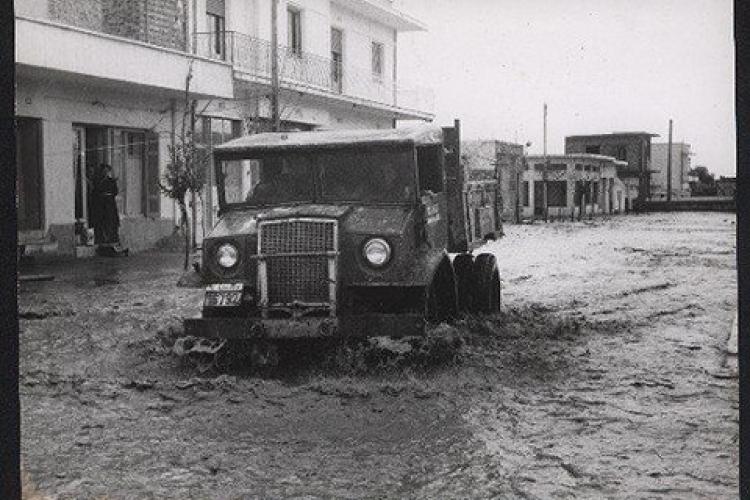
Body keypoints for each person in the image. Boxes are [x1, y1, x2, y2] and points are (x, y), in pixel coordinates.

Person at [92, 164, 128, 256]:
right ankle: (104, 246)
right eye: (104, 171)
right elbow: (95, 192)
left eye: (107, 171)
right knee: (103, 224)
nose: (105, 173)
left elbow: (115, 192)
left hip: (110, 205)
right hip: (101, 206)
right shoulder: (98, 181)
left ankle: (114, 245)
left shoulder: (111, 181)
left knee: (112, 224)